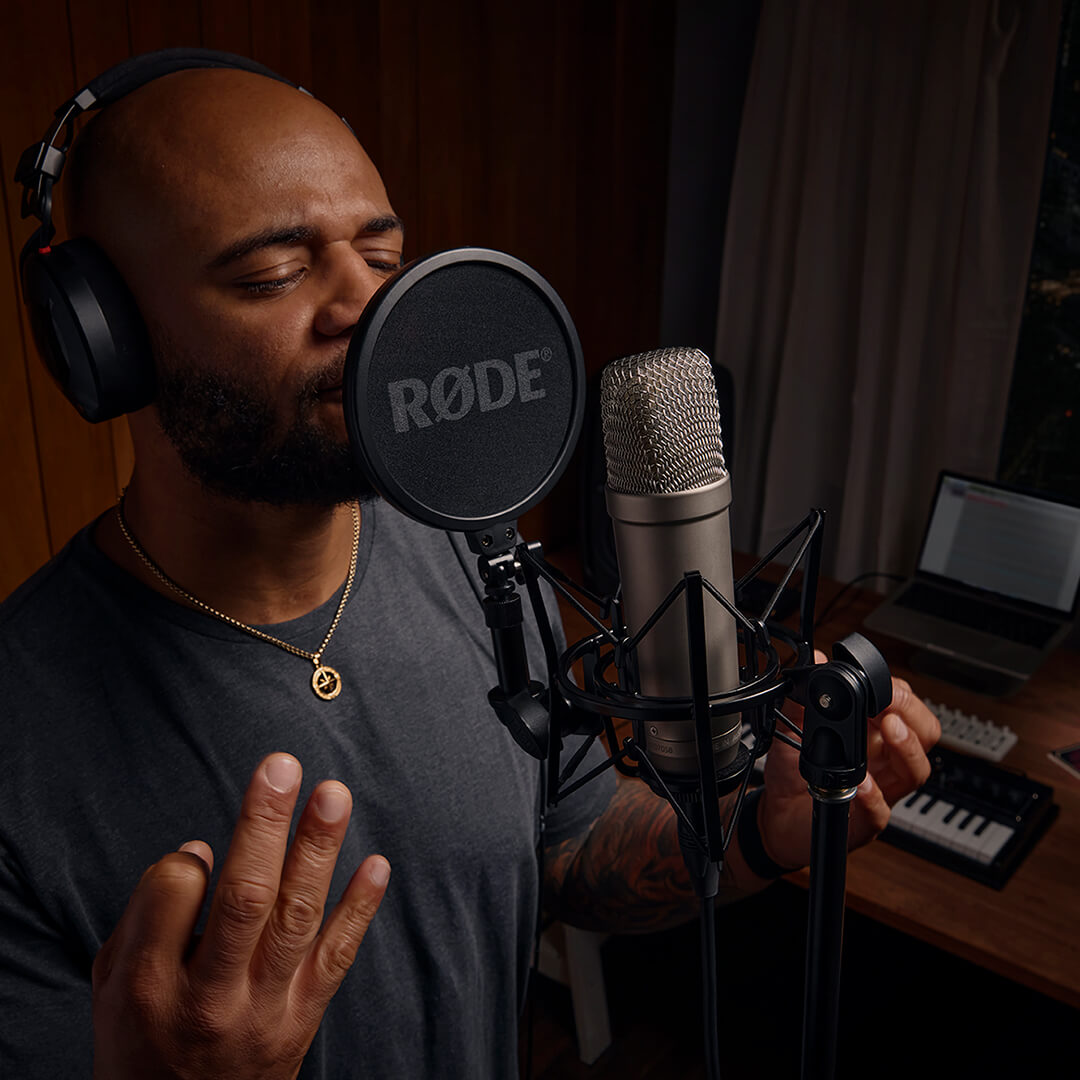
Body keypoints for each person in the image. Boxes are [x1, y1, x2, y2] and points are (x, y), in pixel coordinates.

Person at [0, 55, 940, 1079]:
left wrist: (760, 830)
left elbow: (574, 852)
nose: (367, 307)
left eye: (382, 253)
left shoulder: (470, 551)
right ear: (104, 339)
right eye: (273, 272)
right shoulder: (21, 737)